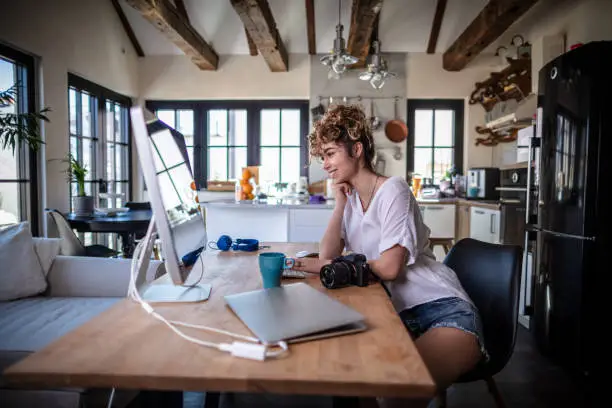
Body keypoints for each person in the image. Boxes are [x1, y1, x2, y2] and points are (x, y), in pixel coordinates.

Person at [292, 104, 488, 393]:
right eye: (323, 157)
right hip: (395, 314)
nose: (325, 164)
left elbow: (389, 268)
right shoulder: (352, 199)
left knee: (399, 396)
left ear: (356, 150)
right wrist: (340, 203)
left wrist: (328, 267)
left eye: (330, 153)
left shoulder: (393, 190)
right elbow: (327, 256)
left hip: (443, 311)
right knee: (357, 385)